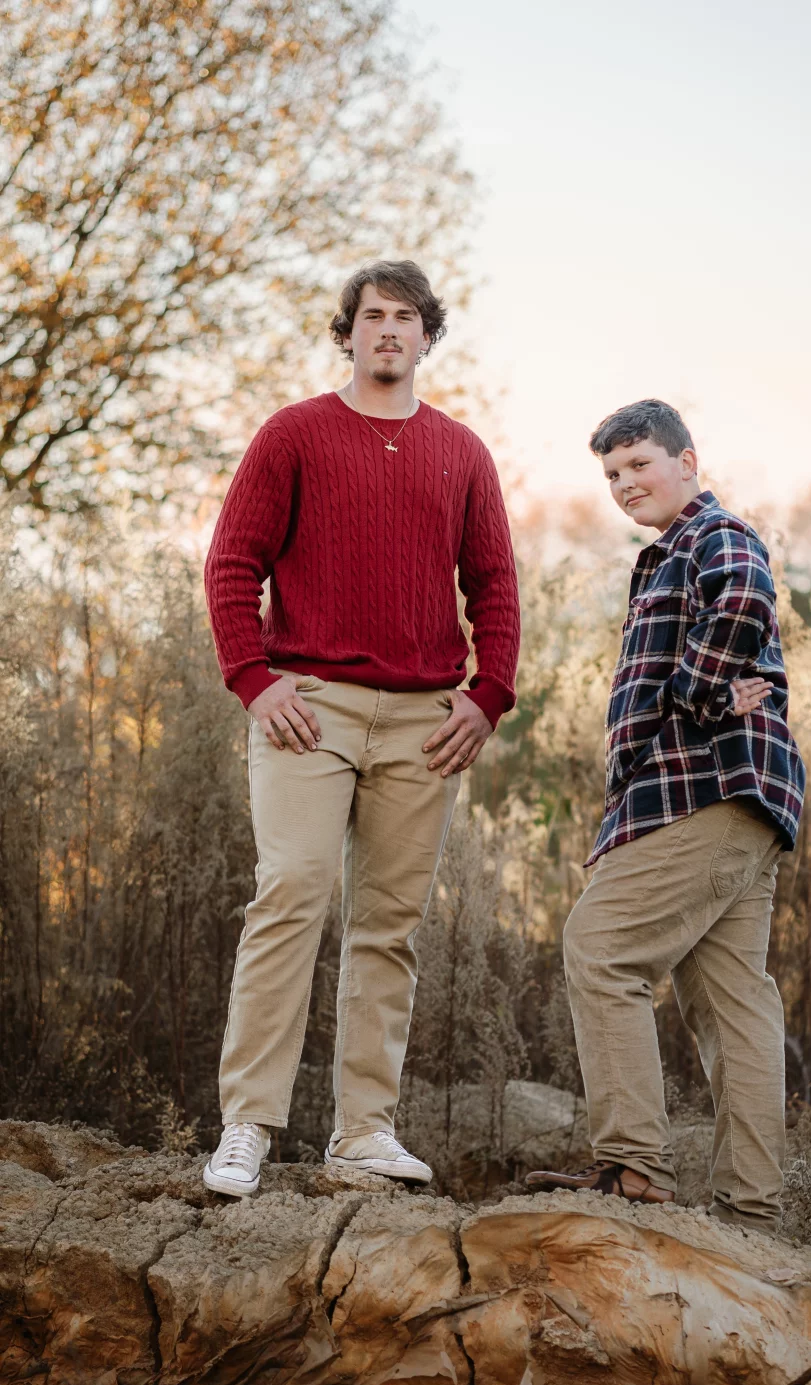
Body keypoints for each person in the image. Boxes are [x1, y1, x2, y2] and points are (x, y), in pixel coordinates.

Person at [202, 260, 520, 1197]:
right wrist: (255, 682)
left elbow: (495, 582)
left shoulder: (462, 452)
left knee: (388, 926)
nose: (389, 329)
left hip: (425, 722)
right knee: (292, 893)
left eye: (407, 317)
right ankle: (247, 1125)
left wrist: (486, 693)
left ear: (428, 336)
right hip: (309, 706)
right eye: (373, 316)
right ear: (348, 333)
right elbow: (232, 564)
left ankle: (364, 1133)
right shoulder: (294, 434)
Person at [526, 399, 804, 1229]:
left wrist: (702, 688)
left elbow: (743, 603)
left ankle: (633, 1166)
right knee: (730, 1000)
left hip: (705, 786)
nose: (625, 483)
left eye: (640, 464)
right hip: (737, 797)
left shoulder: (715, 536)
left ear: (688, 460)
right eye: (612, 473)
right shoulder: (668, 554)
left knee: (600, 947)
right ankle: (751, 1209)